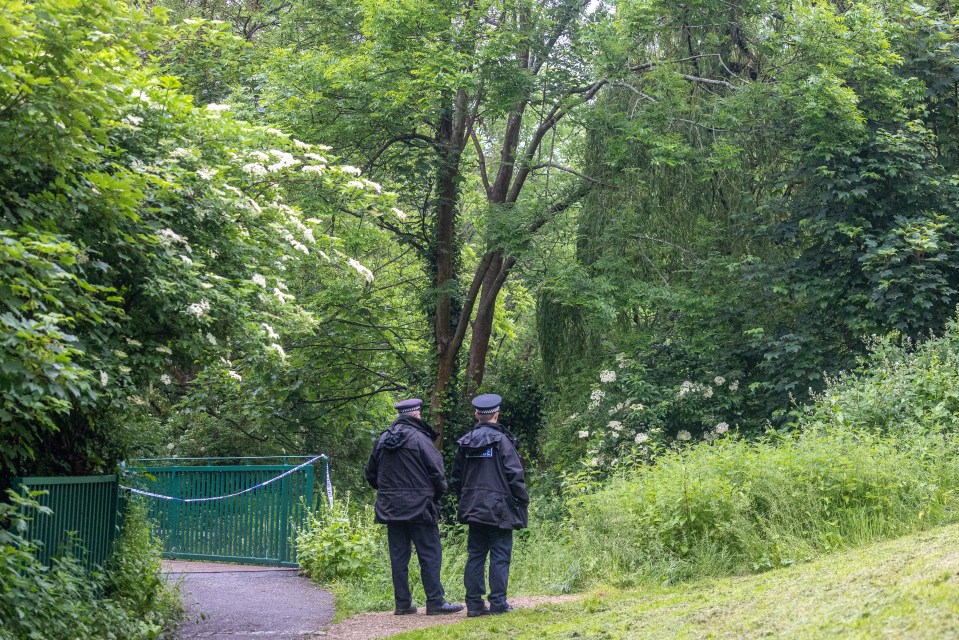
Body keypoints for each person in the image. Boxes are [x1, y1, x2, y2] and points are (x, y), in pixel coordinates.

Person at [365, 398, 464, 616]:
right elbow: (438, 474)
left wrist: (389, 492)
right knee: (430, 554)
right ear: (417, 415)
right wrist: (435, 494)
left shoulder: (382, 440)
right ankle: (435, 602)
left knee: (398, 556)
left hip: (391, 509)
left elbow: (370, 474)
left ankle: (402, 604)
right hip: (420, 508)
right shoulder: (421, 439)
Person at [452, 393, 529, 617]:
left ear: (477, 415)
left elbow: (456, 478)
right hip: (499, 508)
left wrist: (466, 498)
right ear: (497, 415)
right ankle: (498, 603)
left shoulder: (465, 442)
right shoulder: (503, 441)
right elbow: (515, 474)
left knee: (475, 554)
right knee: (500, 555)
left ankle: (474, 605)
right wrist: (522, 500)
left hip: (473, 506)